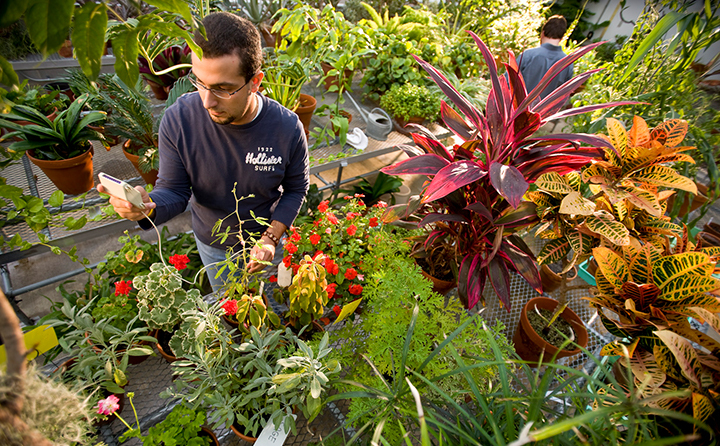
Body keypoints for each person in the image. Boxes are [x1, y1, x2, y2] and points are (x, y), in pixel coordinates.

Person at [98, 12, 309, 292]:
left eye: (223, 89)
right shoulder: (179, 120)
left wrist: (271, 237)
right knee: (229, 314)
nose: (208, 101)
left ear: (255, 82)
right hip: (214, 247)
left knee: (271, 310)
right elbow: (174, 190)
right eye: (200, 82)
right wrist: (147, 207)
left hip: (267, 242)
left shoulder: (286, 127)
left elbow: (296, 189)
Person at [518, 15, 573, 99]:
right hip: (546, 111)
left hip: (518, 109)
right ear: (562, 37)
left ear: (542, 33)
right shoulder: (567, 63)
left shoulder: (528, 55)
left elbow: (506, 82)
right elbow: (564, 94)